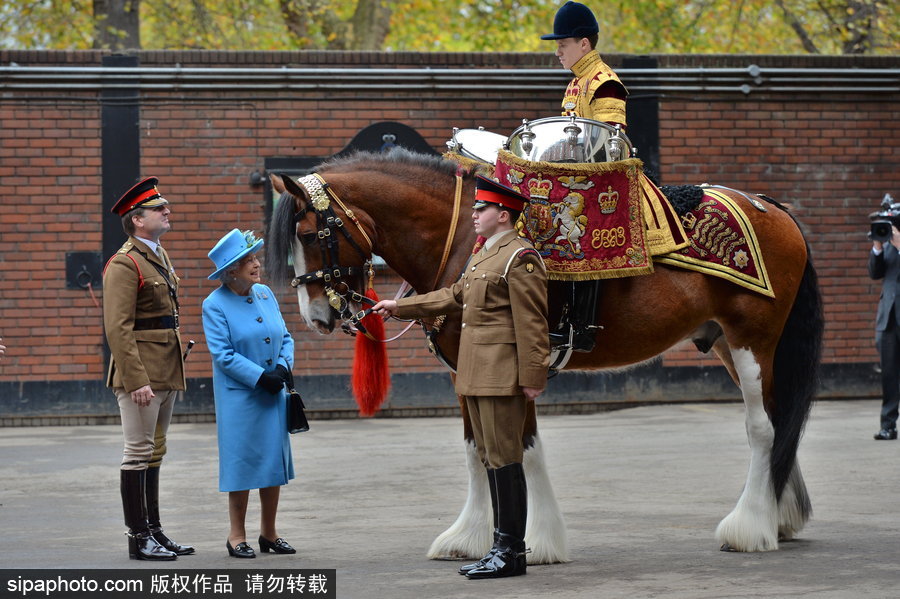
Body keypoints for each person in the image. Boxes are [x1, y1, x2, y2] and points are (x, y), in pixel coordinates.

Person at [372, 176, 550, 579]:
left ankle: (511, 552)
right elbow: (454, 297)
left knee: (507, 459)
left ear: (502, 215)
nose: (473, 214)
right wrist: (399, 306)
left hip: (503, 375)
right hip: (474, 374)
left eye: (480, 209)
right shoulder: (483, 255)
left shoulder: (519, 257)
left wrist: (533, 375)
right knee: (491, 458)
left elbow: (533, 322)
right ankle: (499, 546)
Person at [103, 177, 192, 561]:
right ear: (137, 219)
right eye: (159, 209)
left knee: (155, 451)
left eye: (166, 206)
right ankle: (138, 538)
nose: (167, 211)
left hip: (166, 367)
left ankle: (155, 530)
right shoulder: (125, 262)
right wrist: (136, 380)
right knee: (137, 452)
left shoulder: (158, 254)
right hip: (141, 374)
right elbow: (117, 328)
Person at [202, 228, 297, 558]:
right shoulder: (214, 305)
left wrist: (284, 368)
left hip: (273, 394)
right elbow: (223, 354)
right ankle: (236, 535)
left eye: (255, 258)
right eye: (249, 260)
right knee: (241, 467)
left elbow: (285, 337)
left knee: (273, 464)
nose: (257, 264)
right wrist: (260, 377)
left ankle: (269, 534)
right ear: (231, 270)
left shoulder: (265, 294)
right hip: (241, 398)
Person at [541, 1, 629, 352]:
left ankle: (583, 324)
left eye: (563, 44)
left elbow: (611, 142)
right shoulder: (576, 83)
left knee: (578, 228)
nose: (558, 51)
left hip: (604, 180)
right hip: (581, 176)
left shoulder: (604, 82)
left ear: (584, 44)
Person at [868, 218, 900, 441]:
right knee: (888, 376)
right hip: (888, 319)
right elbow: (874, 273)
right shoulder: (885, 245)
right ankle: (888, 426)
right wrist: (878, 247)